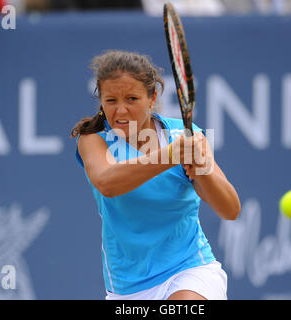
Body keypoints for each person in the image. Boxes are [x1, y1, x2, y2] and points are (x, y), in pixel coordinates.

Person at [71, 50, 241, 300]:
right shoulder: (92, 140)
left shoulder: (187, 135)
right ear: (101, 101)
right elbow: (107, 183)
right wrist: (168, 156)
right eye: (111, 100)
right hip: (127, 288)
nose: (120, 111)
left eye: (131, 99)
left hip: (189, 269)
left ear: (152, 99)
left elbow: (230, 210)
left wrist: (203, 171)